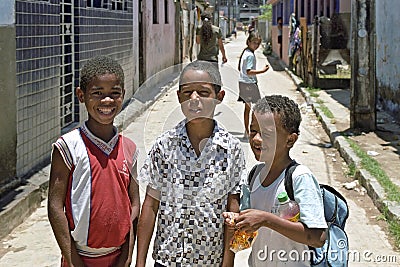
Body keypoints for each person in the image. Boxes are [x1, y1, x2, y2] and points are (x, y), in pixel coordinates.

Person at [136, 60, 247, 267]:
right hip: (168, 259)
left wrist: (227, 261)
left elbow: (233, 209)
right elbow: (150, 205)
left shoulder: (231, 150)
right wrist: (140, 262)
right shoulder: (164, 146)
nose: (194, 99)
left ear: (219, 97)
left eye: (203, 93)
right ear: (179, 97)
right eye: (187, 93)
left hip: (210, 260)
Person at [48, 56, 140, 267]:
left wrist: (126, 257)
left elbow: (134, 205)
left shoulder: (129, 149)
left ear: (123, 95)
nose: (106, 101)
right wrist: (73, 260)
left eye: (114, 93)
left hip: (117, 257)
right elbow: (55, 206)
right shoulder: (68, 147)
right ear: (81, 95)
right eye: (97, 93)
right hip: (78, 257)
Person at [223, 95, 327, 267]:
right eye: (253, 130)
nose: (256, 139)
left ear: (290, 140)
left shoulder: (299, 178)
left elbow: (317, 237)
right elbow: (254, 228)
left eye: (267, 134)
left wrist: (266, 219)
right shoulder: (255, 175)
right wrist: (239, 221)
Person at [237, 32, 269, 138]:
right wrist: (263, 71)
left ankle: (247, 131)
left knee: (248, 108)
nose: (256, 45)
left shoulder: (245, 52)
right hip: (249, 83)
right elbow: (249, 71)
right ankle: (252, 130)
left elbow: (240, 68)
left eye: (258, 43)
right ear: (249, 42)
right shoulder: (250, 55)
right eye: (254, 43)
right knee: (255, 108)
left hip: (243, 82)